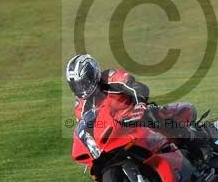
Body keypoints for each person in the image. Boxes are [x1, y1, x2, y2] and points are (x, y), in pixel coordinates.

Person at [65, 54, 207, 163]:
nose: (83, 88)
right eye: (77, 85)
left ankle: (197, 145)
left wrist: (139, 105)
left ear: (93, 73)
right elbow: (87, 129)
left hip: (138, 116)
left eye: (85, 81)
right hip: (117, 134)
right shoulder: (81, 107)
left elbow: (137, 88)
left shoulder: (110, 78)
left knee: (154, 115)